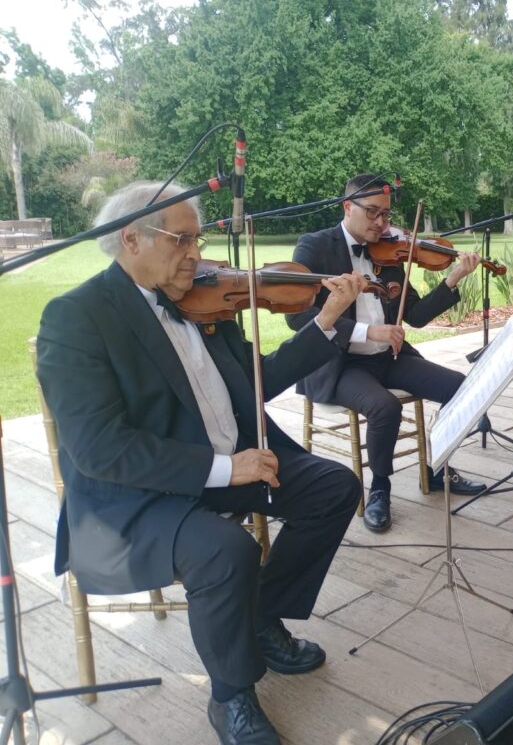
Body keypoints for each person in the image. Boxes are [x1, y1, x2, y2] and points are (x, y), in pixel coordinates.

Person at [35, 182, 365, 745]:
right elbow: (100, 447)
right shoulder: (76, 317)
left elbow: (259, 380)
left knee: (334, 486)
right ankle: (231, 695)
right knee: (226, 549)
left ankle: (260, 618)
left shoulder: (202, 298)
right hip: (140, 495)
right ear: (130, 239)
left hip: (228, 460)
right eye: (181, 240)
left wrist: (328, 318)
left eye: (197, 239)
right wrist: (224, 469)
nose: (195, 254)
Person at [287, 173, 486, 534]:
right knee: (385, 406)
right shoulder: (314, 247)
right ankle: (380, 489)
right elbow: (297, 317)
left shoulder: (389, 251)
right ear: (348, 207)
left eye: (387, 215)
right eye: (373, 213)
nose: (382, 223)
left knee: (460, 385)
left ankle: (438, 468)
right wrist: (366, 331)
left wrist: (453, 279)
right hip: (339, 363)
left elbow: (417, 315)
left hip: (387, 357)